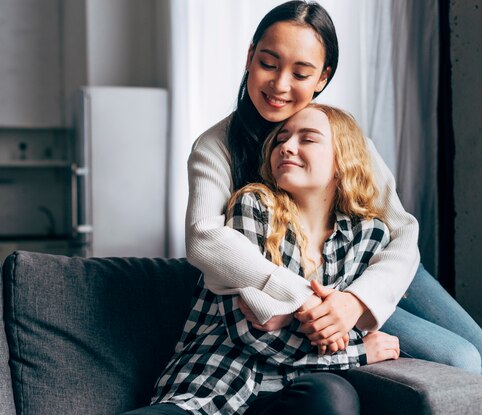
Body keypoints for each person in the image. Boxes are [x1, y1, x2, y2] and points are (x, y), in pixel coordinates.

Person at [184, 0, 482, 374]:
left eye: (301, 73)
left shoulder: (341, 137)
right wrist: (300, 296)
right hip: (319, 285)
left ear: (322, 78)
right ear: (249, 57)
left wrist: (356, 301)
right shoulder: (216, 145)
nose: (280, 84)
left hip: (378, 272)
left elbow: (402, 231)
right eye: (268, 64)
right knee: (461, 359)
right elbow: (204, 238)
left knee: (478, 344)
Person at [126, 103, 400, 415]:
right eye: (281, 139)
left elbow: (343, 329)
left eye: (307, 139)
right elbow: (248, 332)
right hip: (211, 387)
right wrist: (358, 352)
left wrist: (286, 315)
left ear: (342, 160)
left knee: (333, 395)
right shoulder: (252, 206)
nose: (287, 147)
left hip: (294, 394)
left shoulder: (368, 234)